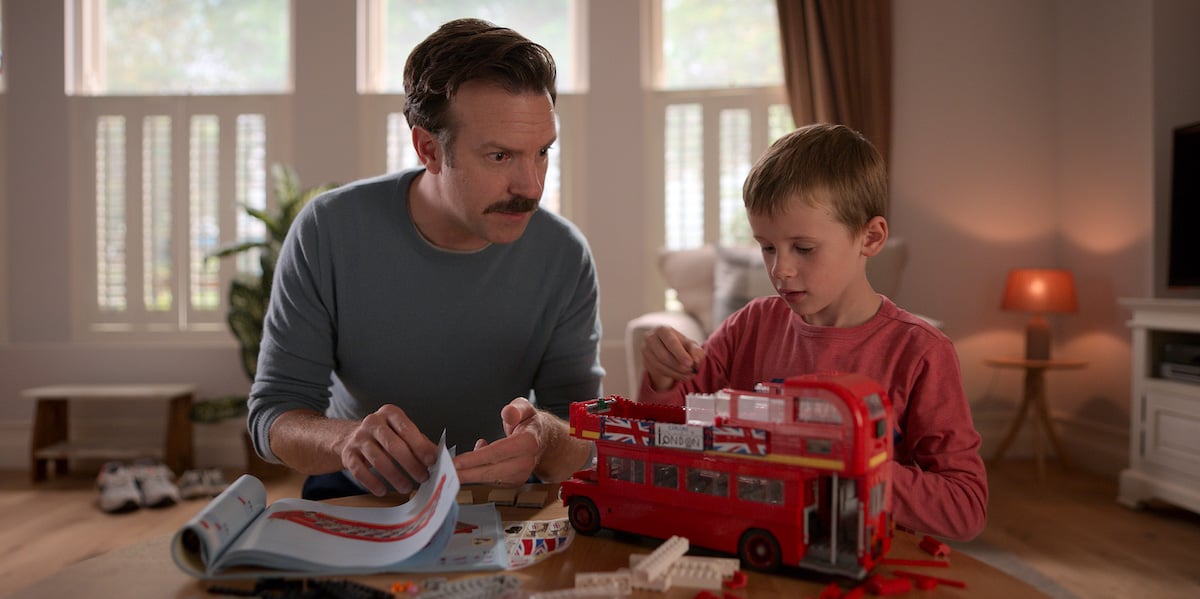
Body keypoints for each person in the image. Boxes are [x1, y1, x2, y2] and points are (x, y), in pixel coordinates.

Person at [247, 18, 603, 501]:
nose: (531, 187)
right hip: (358, 489)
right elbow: (274, 415)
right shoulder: (328, 230)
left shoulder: (564, 256)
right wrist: (347, 440)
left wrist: (545, 440)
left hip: (506, 497)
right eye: (500, 157)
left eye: (541, 152)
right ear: (428, 149)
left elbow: (585, 439)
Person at [638, 123, 988, 541]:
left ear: (870, 238)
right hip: (751, 546)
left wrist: (847, 464)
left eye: (803, 248)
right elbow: (664, 442)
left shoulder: (920, 352)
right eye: (767, 247)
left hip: (861, 561)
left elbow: (965, 507)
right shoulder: (750, 325)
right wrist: (662, 378)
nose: (780, 269)